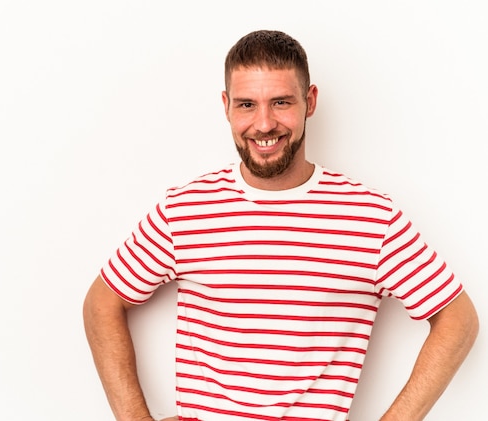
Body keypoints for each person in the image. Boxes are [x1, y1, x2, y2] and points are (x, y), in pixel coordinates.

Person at [83, 29, 479, 421]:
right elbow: (102, 302)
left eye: (281, 102)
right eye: (246, 105)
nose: (264, 123)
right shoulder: (184, 209)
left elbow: (458, 320)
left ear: (310, 101)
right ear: (226, 106)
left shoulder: (371, 217)